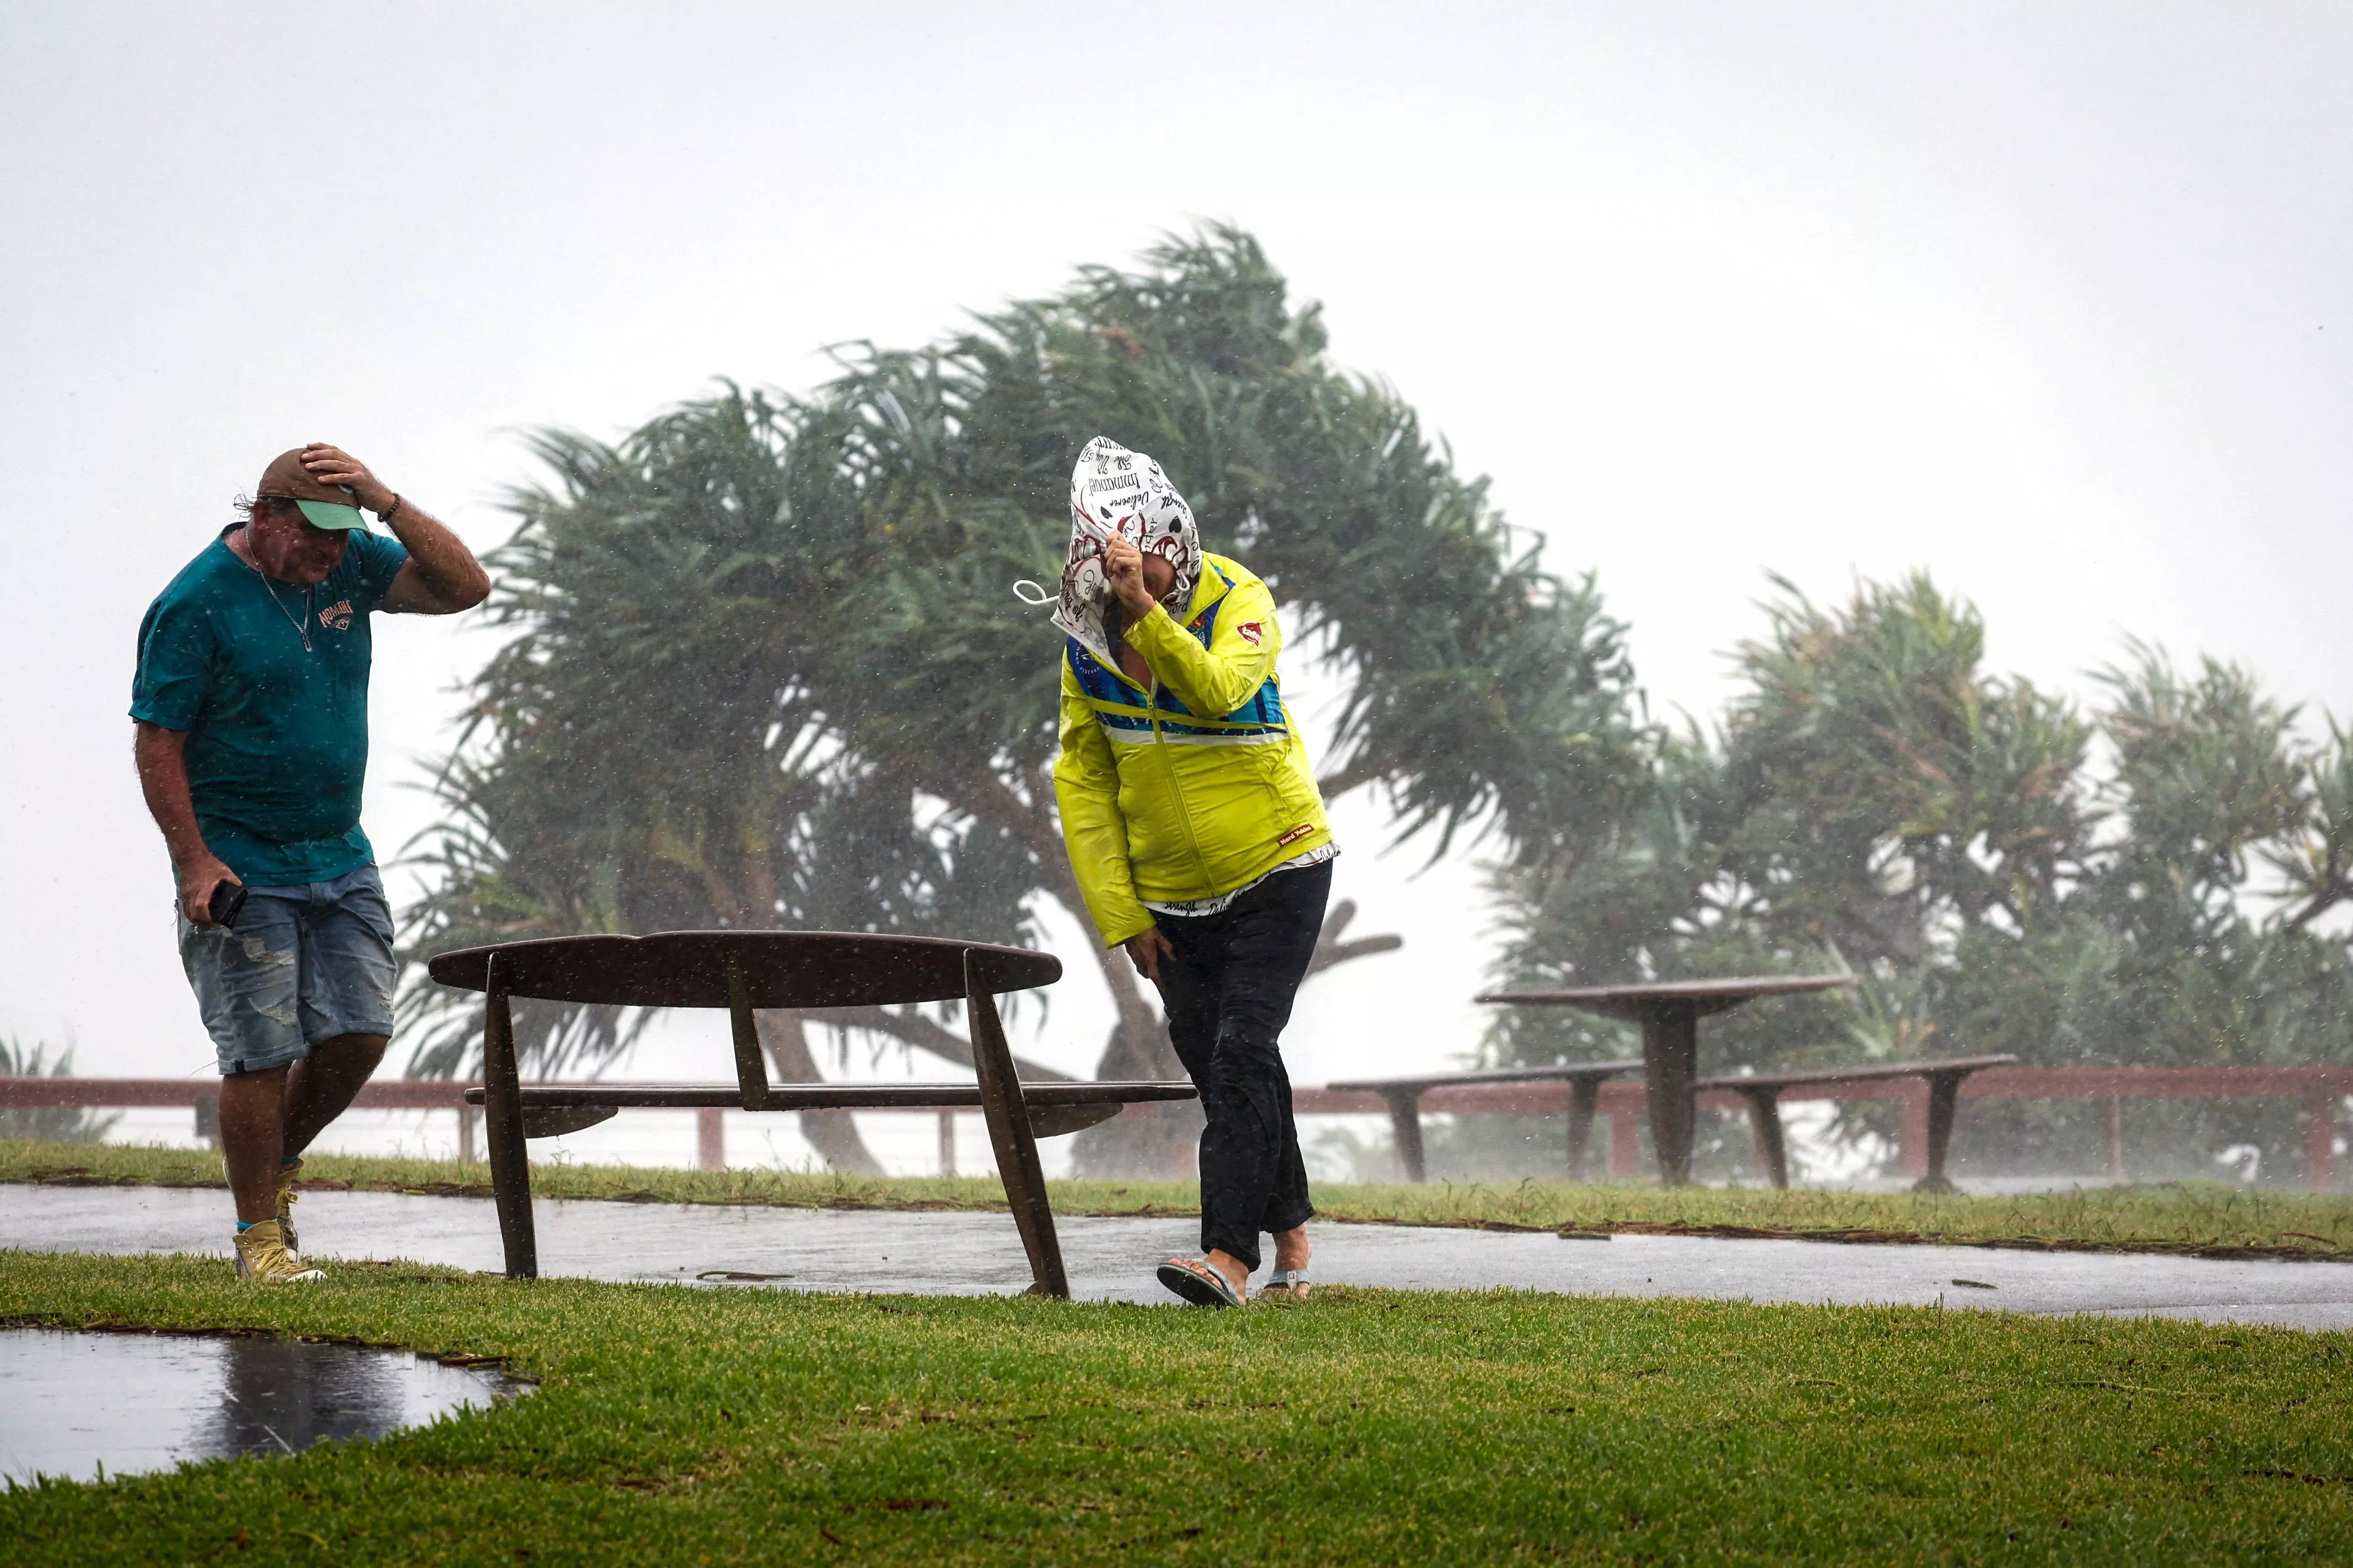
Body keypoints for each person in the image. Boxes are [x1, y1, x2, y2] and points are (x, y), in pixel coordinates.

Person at [131, 445, 489, 1284]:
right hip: (241, 862)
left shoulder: (353, 564)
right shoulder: (194, 605)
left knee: (361, 1031)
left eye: (342, 534)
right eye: (313, 535)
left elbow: (467, 588)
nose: (329, 552)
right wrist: (193, 862)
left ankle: (274, 1162)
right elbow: (158, 741)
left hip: (339, 852)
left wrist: (385, 501)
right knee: (259, 1051)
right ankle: (260, 1237)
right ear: (264, 517)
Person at [1051, 436, 1336, 1307]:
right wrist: (1123, 916)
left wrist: (1151, 616)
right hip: (1171, 905)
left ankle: (1227, 1258)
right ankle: (1290, 1232)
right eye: (1110, 576)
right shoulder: (1086, 642)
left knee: (1244, 1047)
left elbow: (1217, 690)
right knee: (1224, 1071)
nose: (1124, 592)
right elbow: (1084, 782)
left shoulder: (1238, 599)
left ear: (1174, 545)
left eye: (1141, 572)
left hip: (1278, 866)